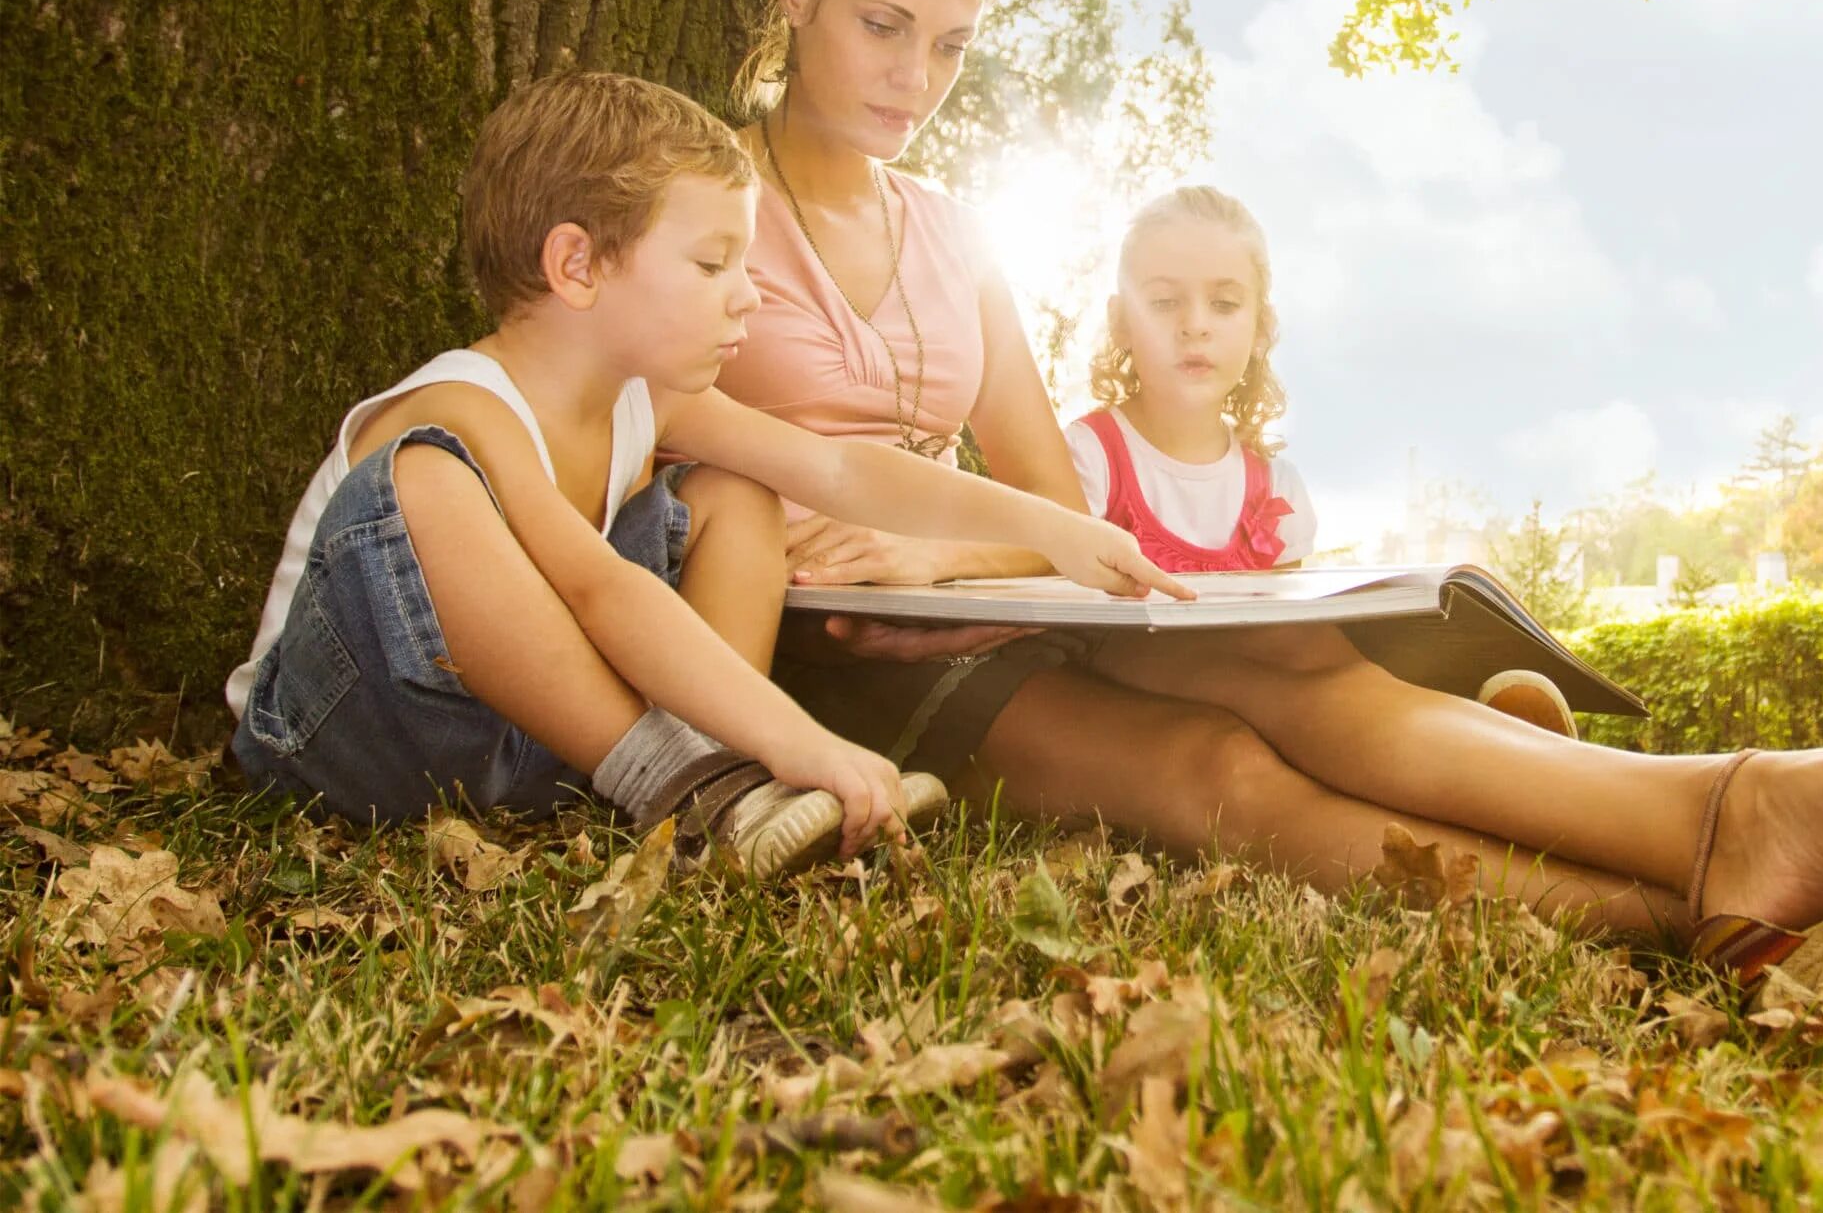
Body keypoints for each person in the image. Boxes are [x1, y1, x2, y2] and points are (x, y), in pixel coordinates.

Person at [727, 0, 1823, 998]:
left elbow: (1062, 518)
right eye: (883, 26)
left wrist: (944, 555)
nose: (917, 75)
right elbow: (668, 455)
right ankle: (1695, 899)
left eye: (951, 44)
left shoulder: (955, 233)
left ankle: (1752, 826)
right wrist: (894, 563)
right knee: (1220, 769)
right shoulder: (709, 196)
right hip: (836, 664)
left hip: (985, 598)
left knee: (1309, 670)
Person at [227, 72, 1187, 885]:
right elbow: (601, 593)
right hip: (349, 739)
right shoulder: (462, 408)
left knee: (736, 492)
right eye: (713, 260)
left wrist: (1057, 531)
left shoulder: (653, 402)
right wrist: (796, 738)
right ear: (576, 266)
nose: (750, 290)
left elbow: (841, 469)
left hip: (537, 745)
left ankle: (708, 770)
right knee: (428, 482)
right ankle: (703, 781)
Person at [1067, 181, 1581, 736]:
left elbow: (1293, 638)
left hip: (1271, 713)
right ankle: (1491, 748)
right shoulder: (1088, 457)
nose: (1195, 324)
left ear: (1261, 328)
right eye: (1165, 301)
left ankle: (1501, 751)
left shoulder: (1276, 486)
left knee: (1327, 676)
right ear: (1120, 320)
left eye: (1224, 303)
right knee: (1309, 700)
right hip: (1147, 719)